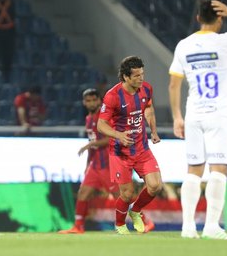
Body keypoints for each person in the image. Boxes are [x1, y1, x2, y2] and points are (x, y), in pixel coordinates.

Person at [169, 0, 227, 240]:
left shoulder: (183, 45)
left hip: (193, 115)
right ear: (219, 19)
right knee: (218, 170)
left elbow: (173, 84)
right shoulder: (224, 41)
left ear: (198, 18)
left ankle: (187, 228)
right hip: (219, 116)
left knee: (193, 171)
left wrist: (177, 117)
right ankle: (211, 226)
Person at [59, 88, 155, 234]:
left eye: (94, 100)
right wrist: (87, 165)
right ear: (84, 102)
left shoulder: (105, 117)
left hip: (109, 165)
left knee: (122, 195)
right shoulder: (88, 119)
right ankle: (78, 226)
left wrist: (91, 144)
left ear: (99, 100)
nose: (91, 103)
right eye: (88, 100)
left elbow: (112, 137)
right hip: (95, 166)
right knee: (83, 193)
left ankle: (146, 221)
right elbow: (93, 143)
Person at [97, 56, 162, 235]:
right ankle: (119, 225)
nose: (141, 79)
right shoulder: (112, 96)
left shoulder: (146, 89)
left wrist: (154, 131)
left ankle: (135, 211)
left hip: (141, 148)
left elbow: (148, 108)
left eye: (142, 74)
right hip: (120, 152)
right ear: (125, 77)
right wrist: (118, 135)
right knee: (126, 194)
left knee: (156, 185)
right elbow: (101, 125)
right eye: (136, 76)